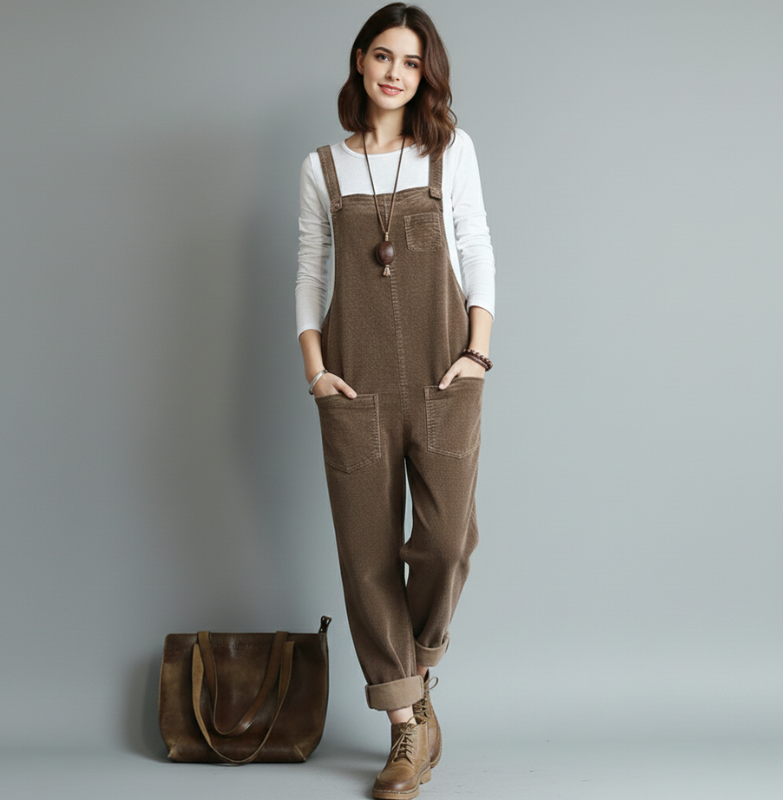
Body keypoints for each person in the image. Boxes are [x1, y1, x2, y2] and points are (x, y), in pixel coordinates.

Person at [296, 4, 495, 798]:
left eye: (411, 62)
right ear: (359, 60)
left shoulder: (450, 151)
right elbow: (310, 271)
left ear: (425, 75)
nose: (394, 73)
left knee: (446, 543)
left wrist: (477, 352)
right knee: (366, 555)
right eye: (383, 55)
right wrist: (316, 371)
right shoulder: (322, 167)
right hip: (355, 383)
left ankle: (418, 668)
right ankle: (405, 727)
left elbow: (477, 245)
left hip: (445, 377)